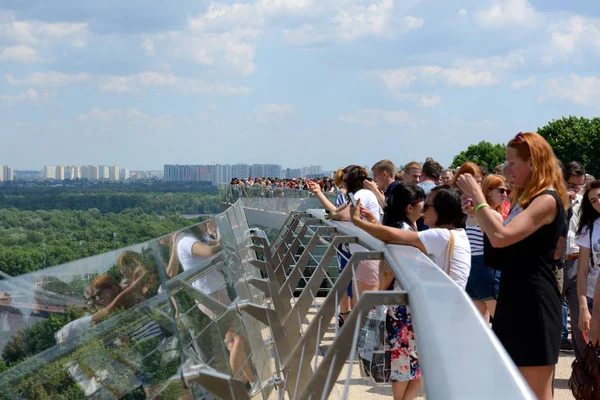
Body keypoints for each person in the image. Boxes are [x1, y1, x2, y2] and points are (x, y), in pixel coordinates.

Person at [456, 132, 568, 400]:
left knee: (535, 392)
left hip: (534, 301)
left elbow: (502, 237)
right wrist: (479, 214)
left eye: (512, 162)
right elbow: (499, 249)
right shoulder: (523, 201)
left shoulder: (547, 200)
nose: (507, 169)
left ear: (533, 162)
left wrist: (477, 195)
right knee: (513, 388)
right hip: (516, 297)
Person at [369, 183, 425, 400]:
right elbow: (389, 270)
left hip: (403, 301)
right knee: (405, 360)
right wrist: (379, 295)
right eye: (421, 200)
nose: (425, 205)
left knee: (407, 360)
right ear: (409, 207)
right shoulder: (404, 230)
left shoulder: (405, 226)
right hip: (402, 304)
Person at [464, 174, 505, 321]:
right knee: (502, 320)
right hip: (488, 268)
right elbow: (497, 243)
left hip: (471, 269)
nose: (504, 194)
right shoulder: (494, 215)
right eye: (500, 190)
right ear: (488, 191)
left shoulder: (471, 214)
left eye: (506, 190)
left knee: (479, 323)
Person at [575, 181, 600, 346]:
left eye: (599, 196)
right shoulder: (589, 229)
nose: (598, 202)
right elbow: (582, 271)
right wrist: (583, 308)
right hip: (593, 297)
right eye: (593, 200)